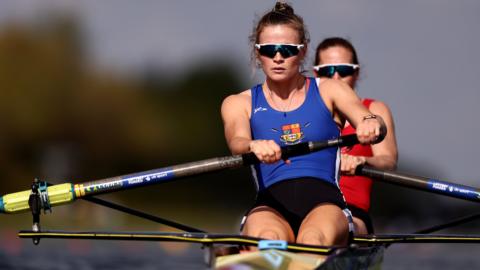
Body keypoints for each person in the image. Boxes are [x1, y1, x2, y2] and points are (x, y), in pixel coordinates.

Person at [221, 2, 386, 247]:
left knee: (313, 240)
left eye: (287, 50)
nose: (278, 57)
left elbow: (369, 118)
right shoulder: (238, 102)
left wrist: (371, 124)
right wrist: (252, 145)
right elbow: (237, 142)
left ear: (303, 50)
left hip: (325, 204)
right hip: (270, 205)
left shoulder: (330, 90)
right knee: (268, 239)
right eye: (268, 50)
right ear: (258, 53)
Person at [313, 37, 398, 234]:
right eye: (327, 71)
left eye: (343, 70)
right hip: (308, 207)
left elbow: (388, 160)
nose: (335, 78)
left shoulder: (375, 110)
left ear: (356, 73)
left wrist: (361, 161)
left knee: (329, 229)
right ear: (316, 73)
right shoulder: (302, 111)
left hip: (352, 212)